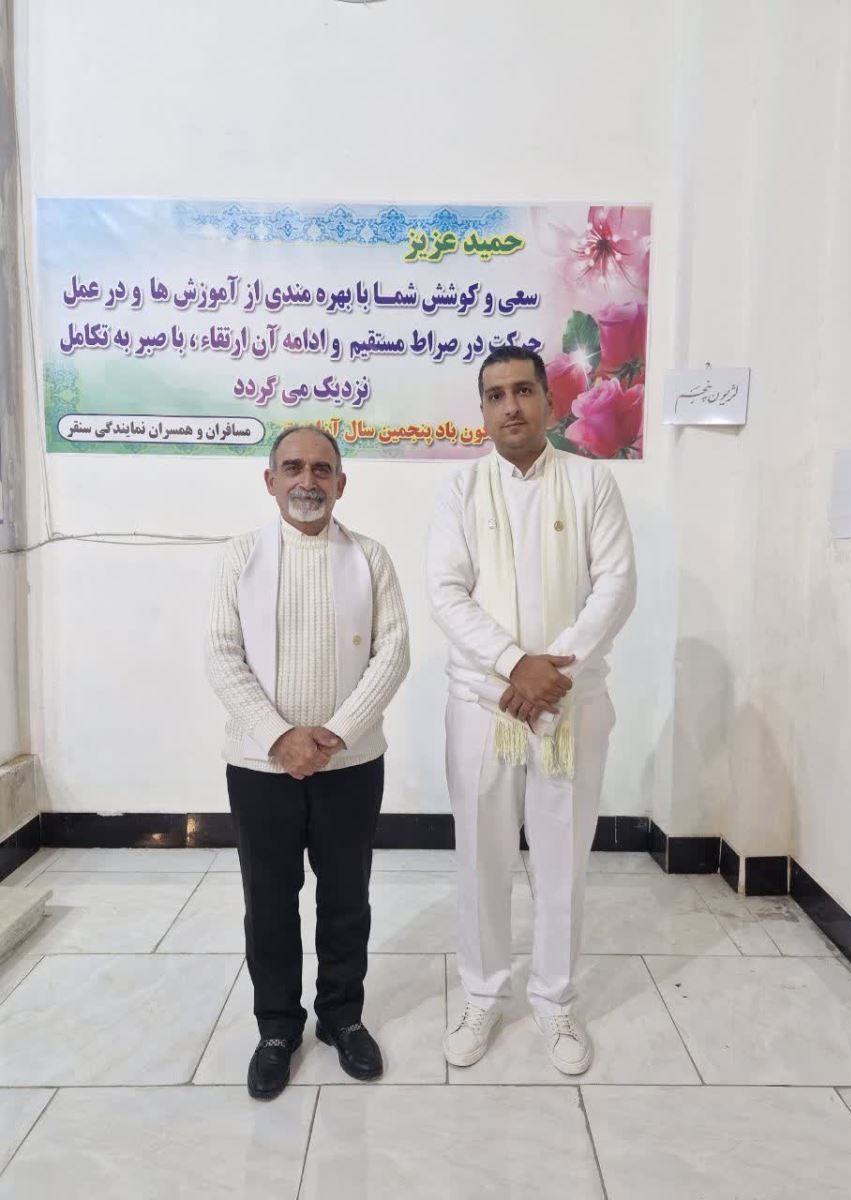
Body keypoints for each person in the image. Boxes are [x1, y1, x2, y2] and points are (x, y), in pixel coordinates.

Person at [427, 347, 636, 1075]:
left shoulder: (591, 482)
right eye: (495, 395)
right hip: (481, 705)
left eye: (523, 391)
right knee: (481, 857)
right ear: (483, 411)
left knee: (561, 860)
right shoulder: (460, 489)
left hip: (571, 705)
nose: (510, 406)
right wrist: (516, 664)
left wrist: (553, 669)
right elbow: (446, 592)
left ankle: (555, 1001)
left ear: (550, 401)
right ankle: (483, 994)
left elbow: (616, 585)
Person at [207, 424, 409, 1099]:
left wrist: (335, 735)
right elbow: (221, 654)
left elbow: (393, 653)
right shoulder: (240, 558)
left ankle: (342, 1018)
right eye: (293, 467)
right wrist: (279, 737)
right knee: (269, 901)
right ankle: (276, 1029)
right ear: (270, 481)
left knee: (346, 897)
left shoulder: (370, 558)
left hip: (350, 765)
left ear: (341, 484)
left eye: (322, 469)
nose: (307, 480)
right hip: (260, 766)